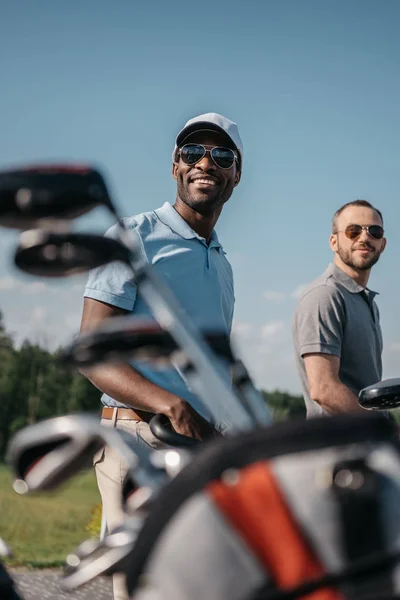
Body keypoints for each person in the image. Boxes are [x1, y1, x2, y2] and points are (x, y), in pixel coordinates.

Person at [79, 112, 242, 600]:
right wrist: (171, 405)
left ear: (236, 174)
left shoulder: (223, 262)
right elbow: (92, 353)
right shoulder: (132, 236)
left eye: (221, 155)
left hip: (202, 451)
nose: (204, 163)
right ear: (176, 166)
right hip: (140, 442)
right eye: (192, 152)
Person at [292, 200, 387, 417]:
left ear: (382, 244)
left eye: (375, 231)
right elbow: (324, 390)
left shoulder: (365, 301)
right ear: (334, 242)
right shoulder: (325, 295)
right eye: (353, 231)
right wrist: (384, 430)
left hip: (365, 443)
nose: (364, 238)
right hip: (337, 445)